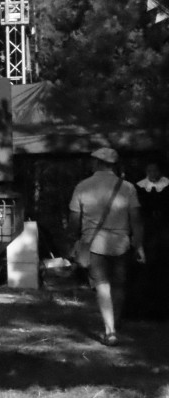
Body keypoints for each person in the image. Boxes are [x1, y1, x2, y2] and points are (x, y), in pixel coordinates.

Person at [68, 147, 146, 346]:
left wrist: (75, 239)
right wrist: (138, 245)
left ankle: (110, 330)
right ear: (113, 165)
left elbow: (74, 220)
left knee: (102, 286)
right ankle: (115, 322)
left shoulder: (83, 186)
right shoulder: (127, 187)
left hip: (94, 244)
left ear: (96, 163)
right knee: (119, 286)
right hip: (122, 244)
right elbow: (136, 219)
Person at [135, 161, 169, 320]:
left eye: (155, 169)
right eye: (149, 169)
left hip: (165, 232)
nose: (152, 172)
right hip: (147, 232)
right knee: (146, 269)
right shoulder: (139, 188)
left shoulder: (167, 186)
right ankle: (146, 310)